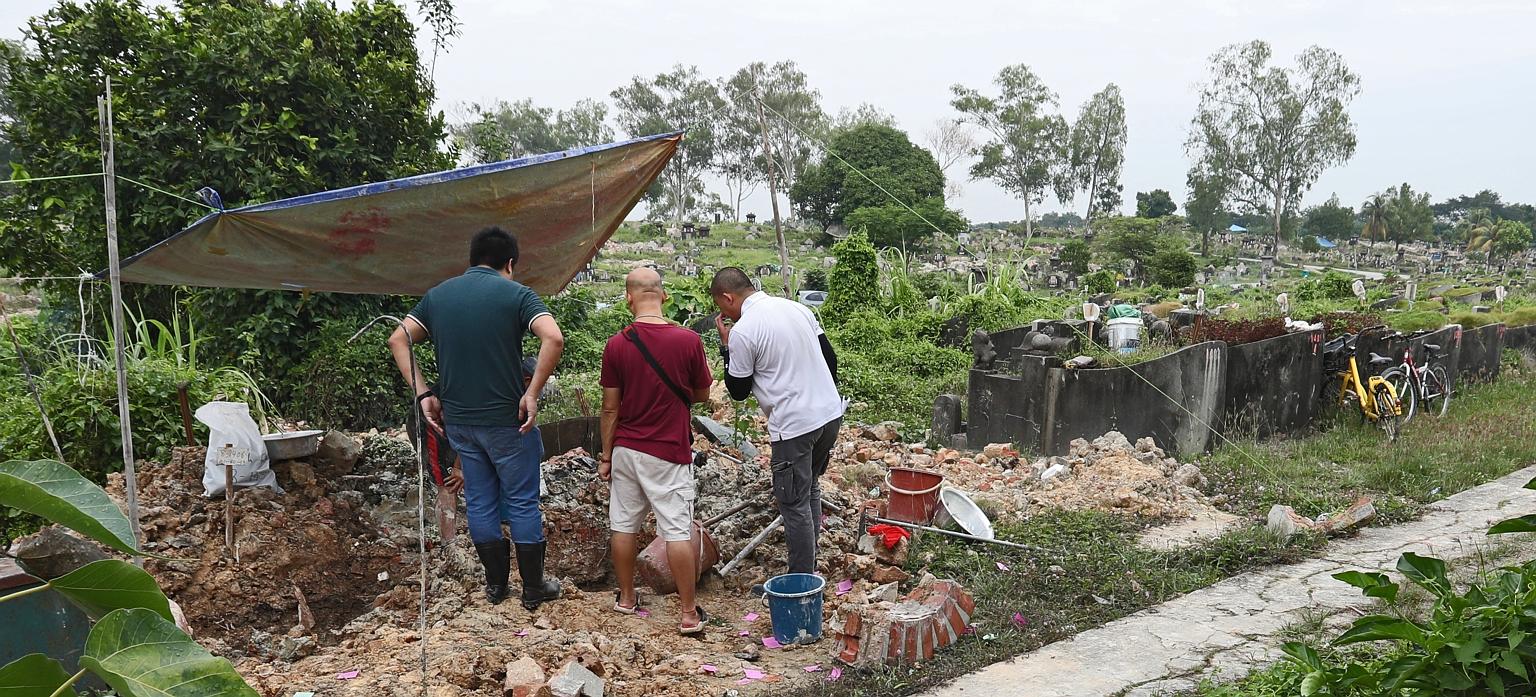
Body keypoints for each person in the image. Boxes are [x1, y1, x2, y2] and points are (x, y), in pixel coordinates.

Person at [388, 226, 565, 610]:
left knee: (481, 501)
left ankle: (496, 587)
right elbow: (553, 338)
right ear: (511, 263)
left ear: (471, 260)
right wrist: (531, 393)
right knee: (520, 501)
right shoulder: (518, 295)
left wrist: (423, 393)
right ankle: (533, 588)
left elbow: (397, 338)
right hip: (508, 420)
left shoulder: (438, 296)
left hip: (461, 423)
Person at [709, 267, 844, 584]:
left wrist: (727, 348)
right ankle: (810, 568)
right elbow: (830, 359)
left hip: (795, 426)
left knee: (793, 503)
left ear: (728, 297)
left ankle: (800, 582)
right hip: (829, 415)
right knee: (808, 487)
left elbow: (739, 391)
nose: (723, 313)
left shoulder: (744, 331)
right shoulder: (798, 308)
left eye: (720, 305)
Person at [599, 268, 714, 634]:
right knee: (677, 530)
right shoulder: (689, 340)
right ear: (664, 296)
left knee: (623, 525)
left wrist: (605, 455)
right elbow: (702, 395)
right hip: (668, 449)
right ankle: (688, 613)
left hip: (627, 450)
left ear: (628, 298)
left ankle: (628, 598)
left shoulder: (617, 345)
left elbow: (609, 408)